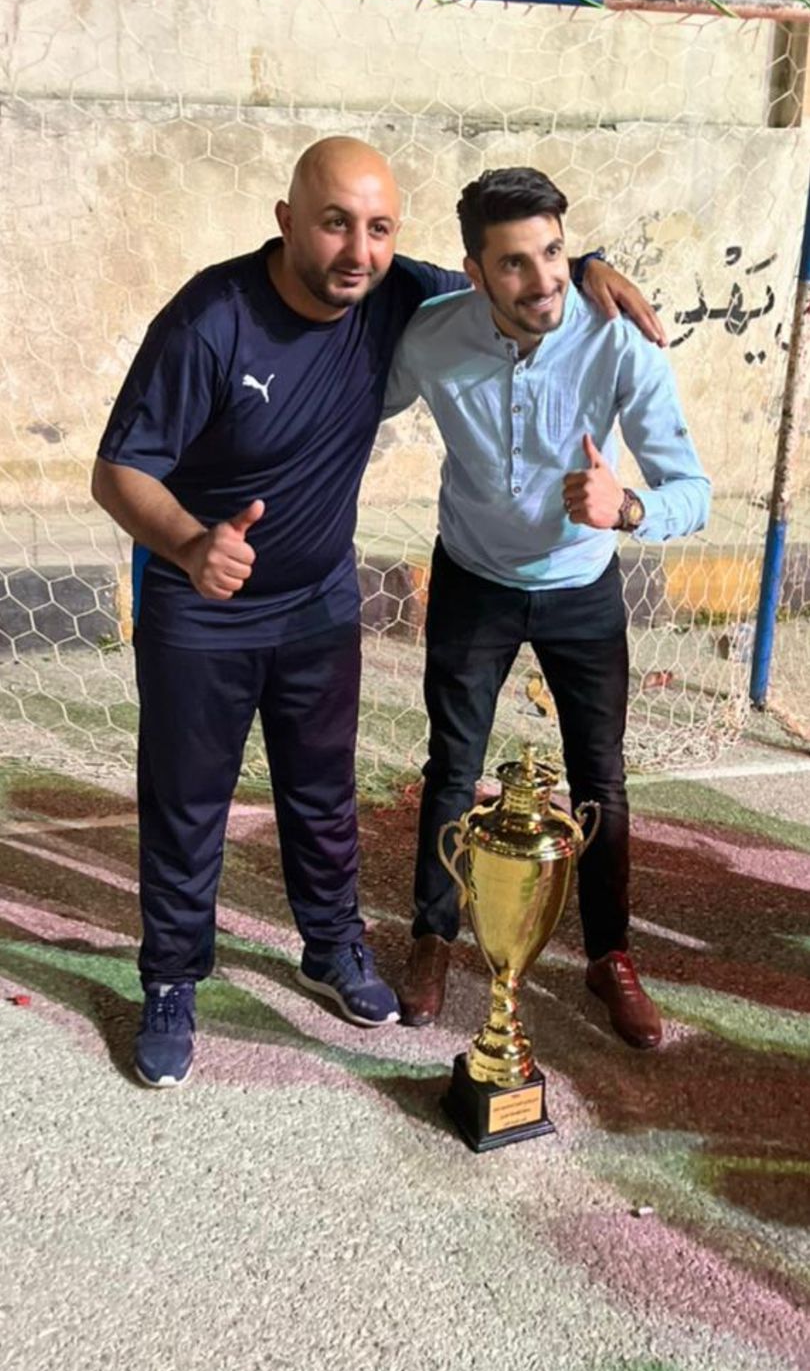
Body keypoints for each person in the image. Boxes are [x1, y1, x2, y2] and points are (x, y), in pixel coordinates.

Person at [92, 137, 664, 1087]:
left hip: (319, 601)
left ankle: (331, 948)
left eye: (380, 228)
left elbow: (513, 273)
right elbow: (118, 471)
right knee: (186, 803)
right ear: (287, 222)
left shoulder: (400, 292)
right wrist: (190, 544)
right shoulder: (209, 318)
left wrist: (593, 260)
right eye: (334, 224)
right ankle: (172, 977)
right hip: (202, 607)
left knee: (324, 797)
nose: (358, 251)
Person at [387, 167, 710, 1048]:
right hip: (473, 580)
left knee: (600, 779)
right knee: (452, 768)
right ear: (474, 272)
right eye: (515, 263)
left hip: (581, 589)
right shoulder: (432, 336)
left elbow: (694, 490)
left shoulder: (619, 342)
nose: (543, 280)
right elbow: (353, 400)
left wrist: (628, 508)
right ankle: (433, 938)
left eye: (556, 253)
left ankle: (610, 958)